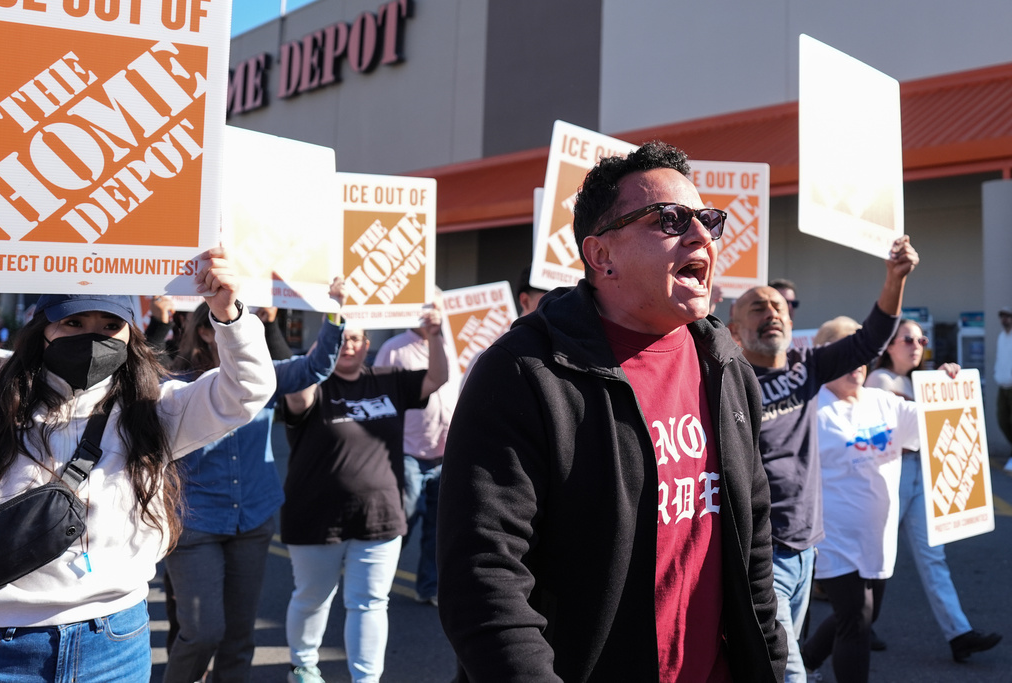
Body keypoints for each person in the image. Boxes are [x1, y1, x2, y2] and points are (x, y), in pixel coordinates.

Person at [437, 141, 786, 682]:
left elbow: (752, 535)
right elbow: (484, 579)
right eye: (669, 220)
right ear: (601, 256)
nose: (700, 236)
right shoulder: (523, 375)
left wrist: (771, 663)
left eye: (707, 220)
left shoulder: (725, 364)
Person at [0, 248, 276, 682]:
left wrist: (229, 314)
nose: (93, 336)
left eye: (110, 326)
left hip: (114, 642)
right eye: (73, 323)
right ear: (41, 329)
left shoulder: (153, 408)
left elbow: (246, 390)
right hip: (3, 647)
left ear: (130, 335)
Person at [728, 237, 917, 683]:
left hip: (806, 551)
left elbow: (872, 337)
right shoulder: (725, 381)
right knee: (791, 673)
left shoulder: (806, 367)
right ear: (734, 330)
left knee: (774, 666)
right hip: (761, 554)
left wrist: (895, 278)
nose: (772, 313)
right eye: (757, 307)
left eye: (778, 307)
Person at [160, 281, 346, 683]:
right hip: (195, 523)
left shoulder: (264, 377)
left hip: (252, 518)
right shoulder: (175, 385)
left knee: (239, 638)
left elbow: (315, 367)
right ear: (208, 330)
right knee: (202, 632)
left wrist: (334, 312)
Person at [280, 306, 448, 683]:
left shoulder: (388, 380)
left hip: (379, 516)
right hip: (315, 516)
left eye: (354, 337)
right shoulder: (310, 384)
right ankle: (303, 666)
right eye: (340, 338)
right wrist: (327, 333)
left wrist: (434, 333)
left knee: (370, 604)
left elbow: (438, 377)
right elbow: (297, 399)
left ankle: (366, 678)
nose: (347, 345)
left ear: (367, 344)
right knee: (312, 598)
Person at [865, 319, 1002, 663]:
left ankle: (959, 634)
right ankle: (852, 626)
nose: (916, 345)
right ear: (889, 346)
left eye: (920, 339)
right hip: (890, 474)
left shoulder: (919, 380)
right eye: (907, 339)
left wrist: (948, 384)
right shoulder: (879, 380)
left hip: (918, 473)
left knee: (932, 557)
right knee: (875, 558)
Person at [799, 317, 921, 683]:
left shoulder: (885, 402)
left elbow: (944, 421)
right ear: (826, 357)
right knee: (856, 621)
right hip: (832, 539)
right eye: (846, 353)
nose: (857, 362)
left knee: (864, 615)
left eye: (862, 353)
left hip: (878, 539)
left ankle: (805, 660)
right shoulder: (809, 410)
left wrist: (947, 385)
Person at [372, 294, 458, 606]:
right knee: (401, 520)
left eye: (435, 306)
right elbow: (378, 399)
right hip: (408, 450)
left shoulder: (451, 346)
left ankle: (429, 587)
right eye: (424, 307)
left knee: (438, 527)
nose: (430, 314)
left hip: (446, 451)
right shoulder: (393, 349)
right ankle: (374, 576)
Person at [994, 306, 1012, 470]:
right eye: (1003, 316)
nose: (1005, 320)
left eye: (1008, 316)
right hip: (1003, 385)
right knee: (1002, 419)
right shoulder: (1001, 337)